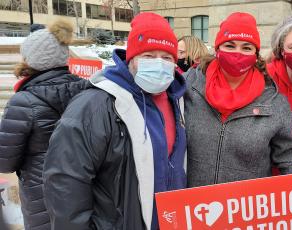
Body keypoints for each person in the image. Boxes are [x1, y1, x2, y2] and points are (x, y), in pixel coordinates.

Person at [43, 12, 187, 230]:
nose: (158, 63)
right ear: (130, 58)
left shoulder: (179, 101)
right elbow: (65, 185)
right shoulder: (95, 105)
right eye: (148, 56)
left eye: (166, 58)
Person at [184, 12, 292, 225]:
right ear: (217, 48)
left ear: (256, 53)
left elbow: (291, 153)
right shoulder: (188, 86)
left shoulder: (272, 100)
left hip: (245, 215)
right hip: (191, 211)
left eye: (246, 48)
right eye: (230, 45)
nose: (237, 53)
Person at [0, 19, 87, 230]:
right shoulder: (87, 92)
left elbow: (4, 162)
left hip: (42, 198)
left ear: (30, 59)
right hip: (84, 191)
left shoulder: (23, 102)